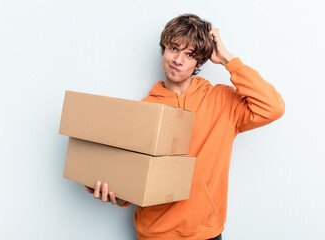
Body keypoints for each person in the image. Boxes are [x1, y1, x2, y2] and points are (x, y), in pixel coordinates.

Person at [85, 13, 285, 240]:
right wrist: (115, 195)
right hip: (155, 235)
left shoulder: (223, 101)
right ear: (163, 50)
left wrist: (228, 59)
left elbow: (273, 107)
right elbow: (134, 187)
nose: (178, 60)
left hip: (206, 233)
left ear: (201, 61)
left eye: (189, 54)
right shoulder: (143, 110)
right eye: (173, 49)